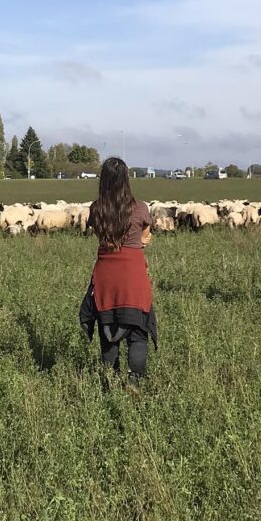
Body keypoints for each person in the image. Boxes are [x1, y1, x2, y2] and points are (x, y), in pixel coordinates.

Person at [80, 157, 157, 387]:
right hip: (133, 274)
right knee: (138, 333)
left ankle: (109, 383)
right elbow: (145, 236)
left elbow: (99, 235)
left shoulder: (96, 209)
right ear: (126, 180)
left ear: (103, 181)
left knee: (108, 330)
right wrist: (138, 242)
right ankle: (135, 382)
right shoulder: (141, 208)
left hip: (106, 275)